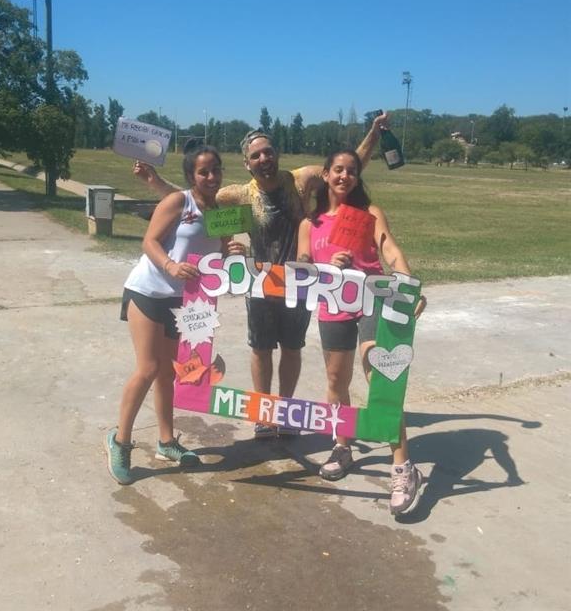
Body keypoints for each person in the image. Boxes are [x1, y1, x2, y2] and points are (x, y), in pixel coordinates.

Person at [135, 113, 390, 439]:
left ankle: (285, 411)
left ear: (276, 153)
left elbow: (347, 168)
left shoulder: (300, 180)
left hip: (299, 283)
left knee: (292, 348)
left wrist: (374, 133)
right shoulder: (238, 195)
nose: (263, 158)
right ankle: (264, 414)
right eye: (256, 155)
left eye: (268, 151)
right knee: (261, 348)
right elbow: (194, 200)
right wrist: (154, 182)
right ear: (247, 163)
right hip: (259, 282)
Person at [296, 148, 427, 515]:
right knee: (336, 379)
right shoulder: (310, 222)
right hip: (332, 304)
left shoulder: (369, 214)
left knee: (379, 370)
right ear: (325, 174)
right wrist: (324, 264)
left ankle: (403, 466)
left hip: (372, 300)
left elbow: (392, 252)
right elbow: (303, 263)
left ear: (357, 177)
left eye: (351, 171)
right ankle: (342, 445)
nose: (344, 176)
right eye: (338, 170)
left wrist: (408, 286)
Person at [105, 145, 228, 485]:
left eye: (215, 169)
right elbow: (150, 241)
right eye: (204, 171)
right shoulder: (178, 201)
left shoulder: (221, 211)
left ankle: (166, 441)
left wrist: (234, 250)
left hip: (184, 302)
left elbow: (223, 252)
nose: (211, 176)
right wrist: (171, 265)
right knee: (147, 368)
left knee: (168, 374)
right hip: (148, 291)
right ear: (192, 176)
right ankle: (120, 441)